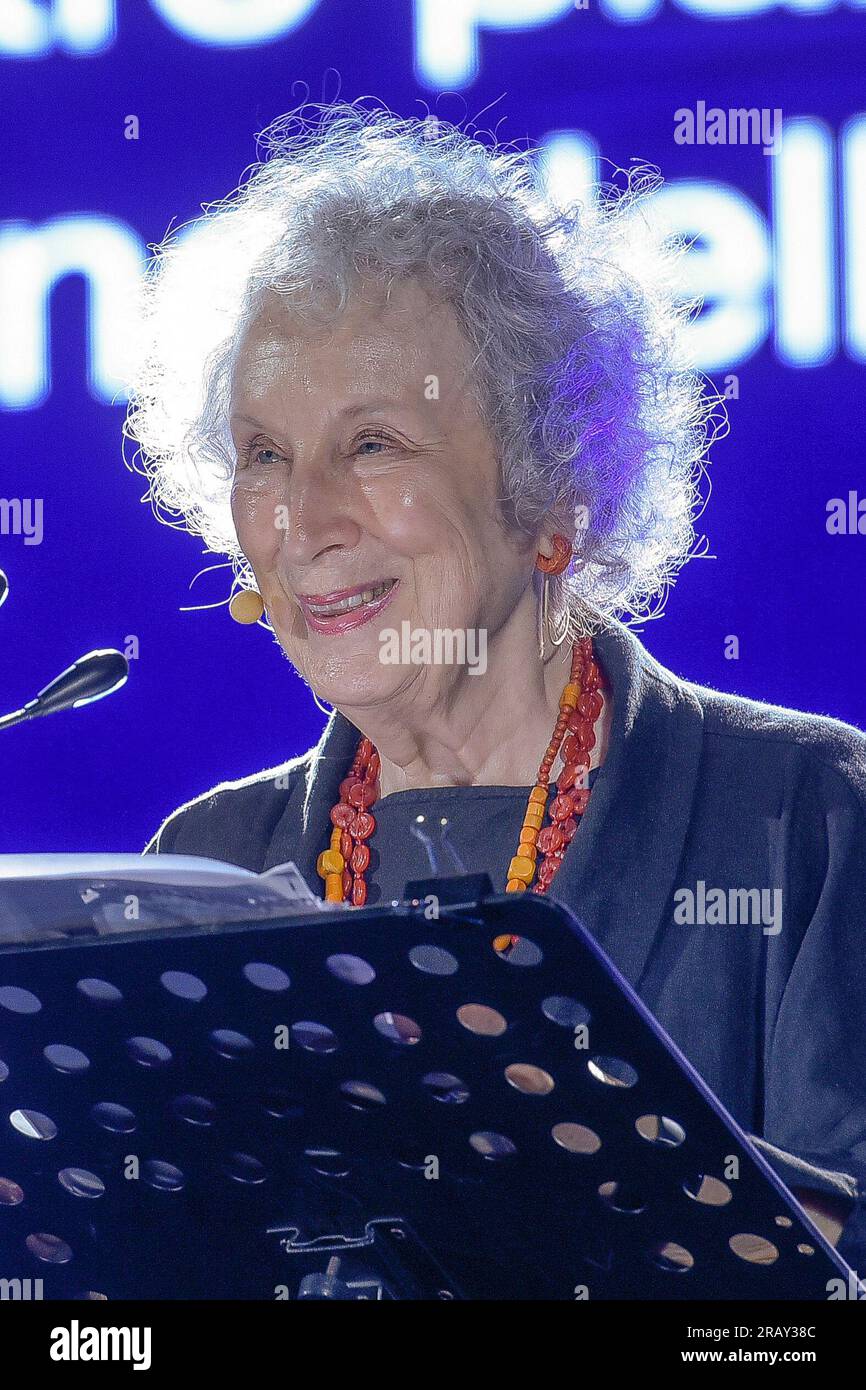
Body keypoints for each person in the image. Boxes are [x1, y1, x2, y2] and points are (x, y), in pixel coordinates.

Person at [126, 101, 866, 1278]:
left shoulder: (809, 815)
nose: (305, 520)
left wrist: (601, 1141)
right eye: (263, 453)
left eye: (372, 444)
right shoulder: (203, 862)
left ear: (551, 490)